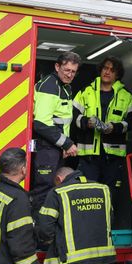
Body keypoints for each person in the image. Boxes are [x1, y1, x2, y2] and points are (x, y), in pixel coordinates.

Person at [71, 57, 132, 225]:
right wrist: (86, 122)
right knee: (87, 195)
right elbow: (73, 116)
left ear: (117, 75)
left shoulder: (126, 96)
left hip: (113, 156)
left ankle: (106, 226)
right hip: (89, 155)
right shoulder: (86, 92)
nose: (107, 72)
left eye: (112, 70)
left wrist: (115, 127)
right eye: (105, 68)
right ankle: (86, 226)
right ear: (100, 70)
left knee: (110, 194)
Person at [31, 51, 80, 214]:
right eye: (66, 70)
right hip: (46, 148)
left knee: (52, 188)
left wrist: (63, 146)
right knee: (44, 191)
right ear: (57, 67)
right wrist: (66, 143)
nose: (70, 75)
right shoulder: (50, 86)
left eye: (73, 71)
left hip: (54, 147)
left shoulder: (64, 87)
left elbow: (60, 121)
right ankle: (40, 233)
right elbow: (41, 123)